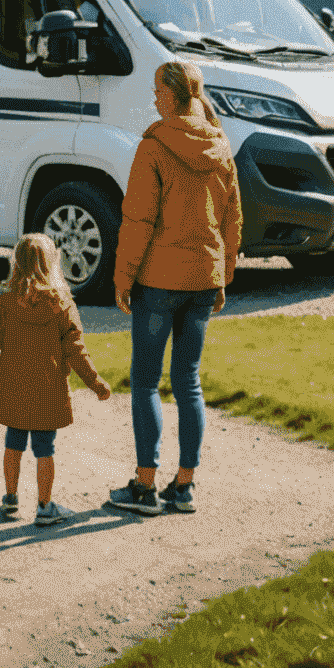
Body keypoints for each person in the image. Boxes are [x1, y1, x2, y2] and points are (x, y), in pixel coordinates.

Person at [108, 59, 242, 517]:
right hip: (202, 279)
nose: (153, 99)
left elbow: (138, 220)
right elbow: (230, 218)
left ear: (175, 97)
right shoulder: (221, 144)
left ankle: (144, 488)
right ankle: (183, 487)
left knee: (146, 382)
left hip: (158, 281)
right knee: (188, 381)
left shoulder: (154, 146)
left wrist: (123, 278)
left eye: (158, 93)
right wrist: (222, 275)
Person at [0, 233, 111, 526]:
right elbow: (76, 350)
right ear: (53, 263)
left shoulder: (7, 303)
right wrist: (95, 382)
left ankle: (10, 499)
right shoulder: (62, 304)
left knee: (13, 444)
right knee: (45, 449)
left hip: (14, 390)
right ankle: (44, 506)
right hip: (48, 391)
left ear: (15, 263)